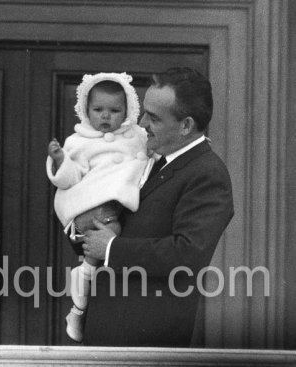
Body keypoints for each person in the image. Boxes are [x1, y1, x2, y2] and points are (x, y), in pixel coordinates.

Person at [80, 67, 234, 347]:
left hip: (148, 340)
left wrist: (112, 248)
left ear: (186, 125)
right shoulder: (146, 159)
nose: (141, 123)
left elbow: (188, 254)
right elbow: (105, 234)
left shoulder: (208, 173)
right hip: (106, 333)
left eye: (153, 117)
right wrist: (82, 227)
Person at [46, 72, 149, 342]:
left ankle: (80, 307)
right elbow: (69, 179)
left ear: (128, 111)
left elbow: (150, 157)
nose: (106, 117)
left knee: (104, 258)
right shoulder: (78, 141)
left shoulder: (136, 137)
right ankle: (79, 307)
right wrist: (60, 161)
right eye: (98, 110)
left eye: (114, 110)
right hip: (89, 210)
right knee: (110, 234)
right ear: (85, 109)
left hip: (114, 207)